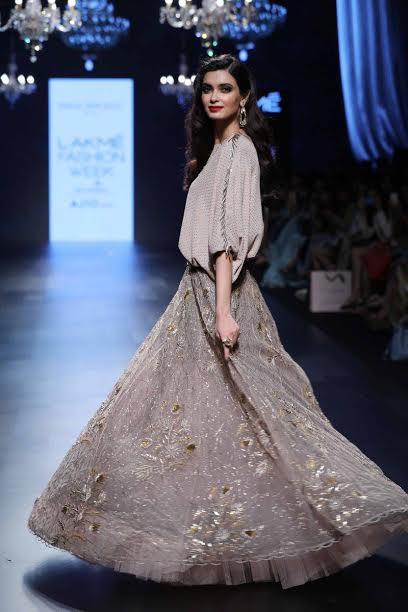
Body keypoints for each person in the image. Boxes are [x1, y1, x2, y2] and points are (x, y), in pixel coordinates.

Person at [27, 54, 408, 590]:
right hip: (198, 294)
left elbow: (227, 242)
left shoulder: (239, 152)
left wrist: (224, 312)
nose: (213, 97)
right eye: (207, 88)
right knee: (211, 415)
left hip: (217, 293)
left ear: (243, 97)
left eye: (225, 88)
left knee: (260, 412)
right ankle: (216, 536)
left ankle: (323, 516)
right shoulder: (217, 151)